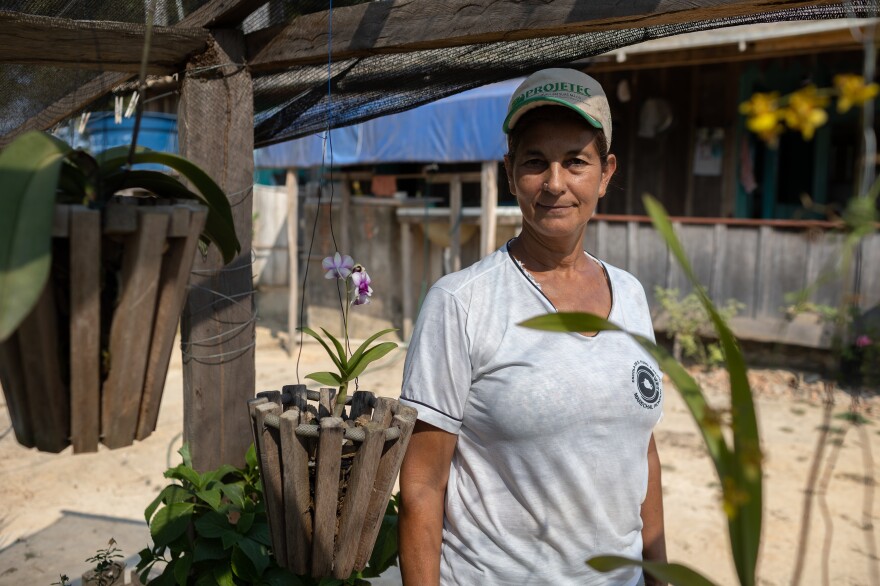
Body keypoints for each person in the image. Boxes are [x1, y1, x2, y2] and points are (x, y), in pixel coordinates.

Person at [398, 68, 666, 586]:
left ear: (606, 174)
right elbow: (422, 485)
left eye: (576, 162)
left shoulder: (630, 295)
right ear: (510, 172)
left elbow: (642, 454)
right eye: (535, 162)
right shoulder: (462, 303)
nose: (555, 183)